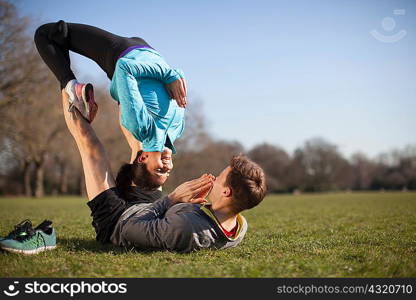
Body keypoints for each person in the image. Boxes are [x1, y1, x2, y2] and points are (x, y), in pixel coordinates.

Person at [61, 91, 267, 253]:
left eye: (220, 179)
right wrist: (193, 202)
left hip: (117, 221)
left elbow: (129, 228)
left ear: (227, 192)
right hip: (148, 207)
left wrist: (174, 197)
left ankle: (66, 82)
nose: (213, 179)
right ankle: (122, 90)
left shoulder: (187, 227)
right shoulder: (239, 226)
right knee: (143, 147)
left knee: (91, 148)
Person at [34, 20, 187, 187]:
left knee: (46, 34)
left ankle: (72, 87)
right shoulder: (177, 130)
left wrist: (168, 74)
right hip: (148, 50)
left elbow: (124, 68)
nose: (166, 166)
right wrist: (172, 74)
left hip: (122, 52)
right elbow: (178, 79)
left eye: (159, 170)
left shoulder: (142, 128)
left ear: (143, 158)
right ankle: (72, 87)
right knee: (58, 42)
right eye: (167, 171)